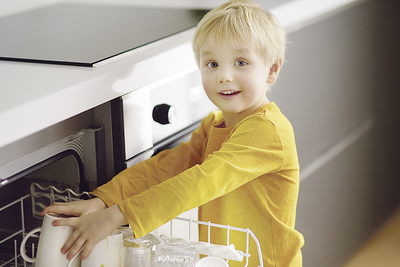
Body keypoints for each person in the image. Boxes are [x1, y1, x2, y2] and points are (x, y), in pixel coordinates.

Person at [41, 0, 304, 266]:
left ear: (271, 69)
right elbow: (164, 169)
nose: (224, 75)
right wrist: (104, 200)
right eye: (212, 64)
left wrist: (115, 216)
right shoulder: (214, 125)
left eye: (240, 62)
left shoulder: (268, 131)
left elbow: (201, 182)